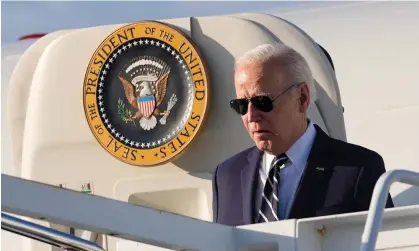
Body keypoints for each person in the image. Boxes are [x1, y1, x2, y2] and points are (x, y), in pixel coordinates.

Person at [212, 43, 393, 226]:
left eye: (262, 102)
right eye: (241, 105)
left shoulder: (358, 169)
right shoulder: (227, 176)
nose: (251, 116)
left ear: (302, 98)